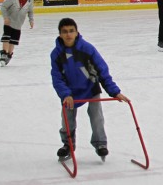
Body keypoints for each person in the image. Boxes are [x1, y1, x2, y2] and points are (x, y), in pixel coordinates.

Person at [50, 18, 129, 160]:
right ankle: (68, 145)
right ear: (60, 34)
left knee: (96, 116)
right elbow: (57, 78)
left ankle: (100, 144)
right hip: (70, 93)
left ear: (76, 32)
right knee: (67, 119)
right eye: (65, 32)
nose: (68, 35)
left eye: (71, 31)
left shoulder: (87, 49)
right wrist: (65, 94)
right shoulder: (56, 54)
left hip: (90, 87)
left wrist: (115, 91)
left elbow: (102, 70)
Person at [0, 0, 35, 66]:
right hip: (9, 22)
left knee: (13, 41)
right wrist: (6, 17)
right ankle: (4, 53)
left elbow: (30, 11)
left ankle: (9, 55)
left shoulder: (30, 0)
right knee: (6, 38)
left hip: (18, 24)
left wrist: (31, 20)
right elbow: (3, 7)